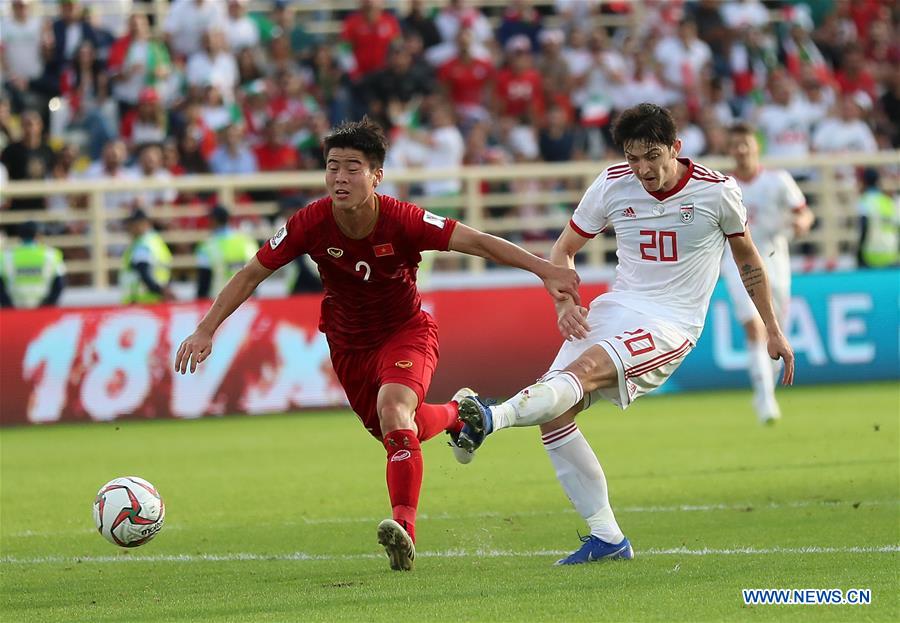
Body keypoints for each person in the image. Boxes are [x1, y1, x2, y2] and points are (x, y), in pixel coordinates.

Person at [173, 118, 580, 572]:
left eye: (352, 168)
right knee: (395, 429)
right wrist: (206, 328)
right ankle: (455, 414)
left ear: (376, 175)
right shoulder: (310, 222)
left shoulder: (402, 219)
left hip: (407, 332)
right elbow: (252, 272)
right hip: (348, 348)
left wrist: (546, 269)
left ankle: (404, 529)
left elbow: (478, 242)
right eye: (332, 167)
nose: (340, 178)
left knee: (393, 409)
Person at [454, 103, 795, 565]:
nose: (643, 169)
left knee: (579, 373)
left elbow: (749, 260)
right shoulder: (613, 182)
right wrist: (565, 302)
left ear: (675, 148)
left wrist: (773, 328)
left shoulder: (718, 192)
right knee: (554, 412)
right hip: (617, 307)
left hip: (671, 323)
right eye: (634, 158)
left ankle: (487, 418)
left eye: (652, 155)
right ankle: (608, 538)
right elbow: (565, 249)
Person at [722, 123, 814, 423]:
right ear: (729, 149)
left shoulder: (778, 180)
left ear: (756, 146)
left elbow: (804, 210)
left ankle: (766, 389)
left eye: (746, 143)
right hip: (737, 263)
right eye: (735, 145)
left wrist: (803, 222)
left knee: (777, 332)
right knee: (754, 327)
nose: (741, 150)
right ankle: (765, 398)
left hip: (775, 261)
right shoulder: (723, 186)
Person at [195, 204, 259, 300]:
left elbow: (204, 282)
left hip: (220, 304)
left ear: (214, 220)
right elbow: (256, 273)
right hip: (248, 301)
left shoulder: (207, 246)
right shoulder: (247, 241)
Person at [0, 221, 66, 308]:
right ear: (39, 236)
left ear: (19, 236)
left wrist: (9, 307)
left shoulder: (6, 256)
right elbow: (59, 285)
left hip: (15, 310)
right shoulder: (52, 255)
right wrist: (48, 306)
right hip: (42, 309)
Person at [120, 208, 175, 304]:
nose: (129, 228)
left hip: (143, 303)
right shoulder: (156, 241)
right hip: (157, 301)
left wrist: (160, 290)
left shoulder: (142, 246)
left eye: (132, 224)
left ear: (142, 224)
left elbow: (144, 273)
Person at [856, 168, 899, 268]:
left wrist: (858, 254)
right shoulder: (889, 202)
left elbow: (864, 228)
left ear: (863, 182)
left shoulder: (864, 201)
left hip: (871, 256)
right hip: (891, 255)